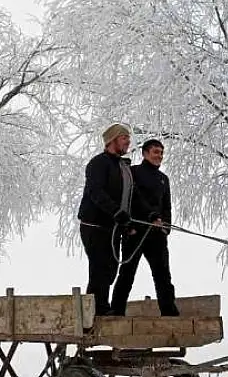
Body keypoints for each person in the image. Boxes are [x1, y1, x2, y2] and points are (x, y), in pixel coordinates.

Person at [110, 138, 180, 316]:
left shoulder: (164, 179)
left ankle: (169, 311)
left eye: (162, 153)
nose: (160, 156)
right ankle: (116, 311)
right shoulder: (133, 173)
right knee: (127, 273)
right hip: (135, 231)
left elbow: (166, 206)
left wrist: (166, 227)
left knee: (163, 275)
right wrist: (129, 227)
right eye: (156, 152)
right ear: (145, 153)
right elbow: (131, 199)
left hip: (157, 234)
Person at [77, 123, 134, 315]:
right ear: (112, 140)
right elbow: (96, 192)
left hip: (112, 226)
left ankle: (97, 308)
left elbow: (127, 196)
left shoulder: (121, 166)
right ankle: (98, 310)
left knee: (110, 269)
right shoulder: (98, 163)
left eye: (128, 137)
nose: (128, 141)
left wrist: (127, 221)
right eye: (124, 137)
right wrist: (115, 211)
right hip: (94, 225)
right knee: (100, 268)